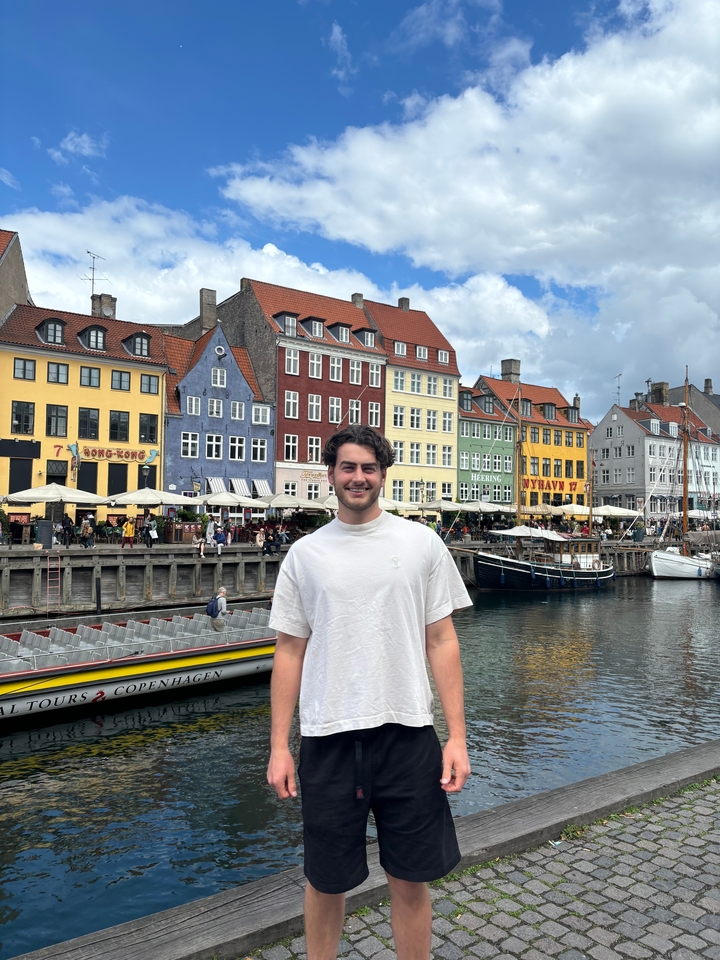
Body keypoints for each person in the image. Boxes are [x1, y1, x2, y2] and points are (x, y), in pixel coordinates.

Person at [267, 424, 472, 960]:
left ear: (383, 474)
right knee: (325, 881)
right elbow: (289, 651)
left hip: (407, 735)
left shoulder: (421, 543)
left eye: (369, 468)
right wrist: (278, 746)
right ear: (331, 474)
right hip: (329, 737)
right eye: (348, 467)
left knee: (410, 878)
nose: (359, 478)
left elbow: (442, 640)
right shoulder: (305, 555)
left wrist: (457, 738)